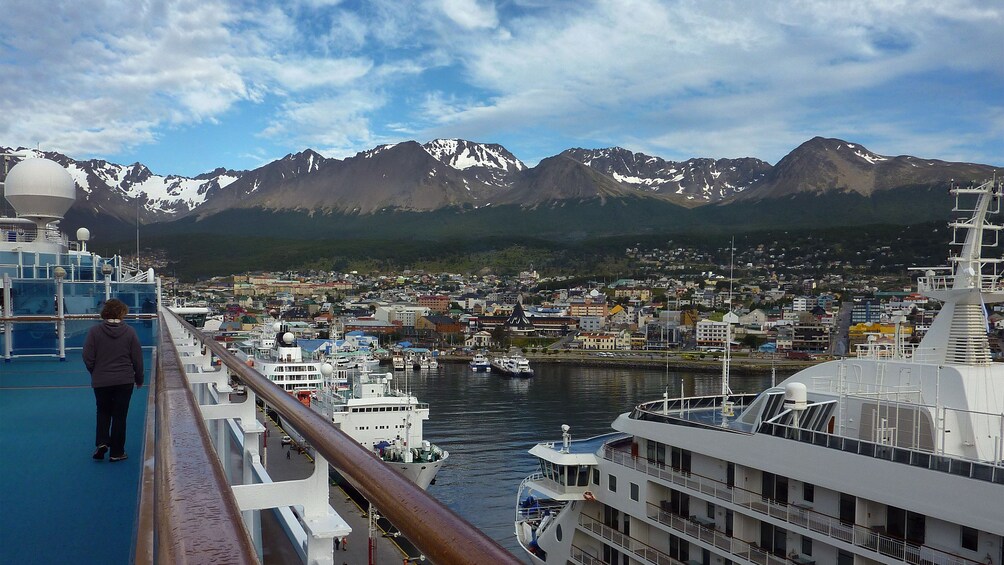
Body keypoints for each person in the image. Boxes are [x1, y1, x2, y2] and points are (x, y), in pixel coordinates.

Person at [83, 299, 143, 462]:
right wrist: (139, 378)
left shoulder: (94, 332)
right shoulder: (130, 332)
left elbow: (87, 356)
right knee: (119, 415)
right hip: (124, 380)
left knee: (102, 411)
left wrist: (95, 372)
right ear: (122, 313)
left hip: (101, 380)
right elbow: (137, 358)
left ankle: (102, 442)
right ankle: (117, 452)